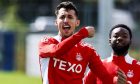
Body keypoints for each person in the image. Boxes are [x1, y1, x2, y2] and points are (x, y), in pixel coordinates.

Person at [38, 1, 116, 84]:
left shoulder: (87, 50)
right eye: (62, 17)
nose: (65, 20)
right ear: (56, 22)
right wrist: (82, 33)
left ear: (77, 22)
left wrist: (117, 81)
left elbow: (104, 76)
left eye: (70, 17)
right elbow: (56, 51)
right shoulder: (47, 42)